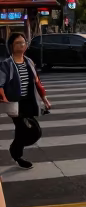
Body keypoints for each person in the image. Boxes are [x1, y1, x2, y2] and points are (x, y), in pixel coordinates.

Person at [0, 32, 53, 170]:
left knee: (26, 131)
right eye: (18, 43)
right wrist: (4, 98)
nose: (22, 45)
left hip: (28, 102)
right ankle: (16, 153)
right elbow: (0, 83)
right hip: (15, 103)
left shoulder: (29, 61)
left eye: (24, 42)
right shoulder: (6, 64)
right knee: (30, 130)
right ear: (11, 46)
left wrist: (45, 99)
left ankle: (16, 152)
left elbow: (37, 82)